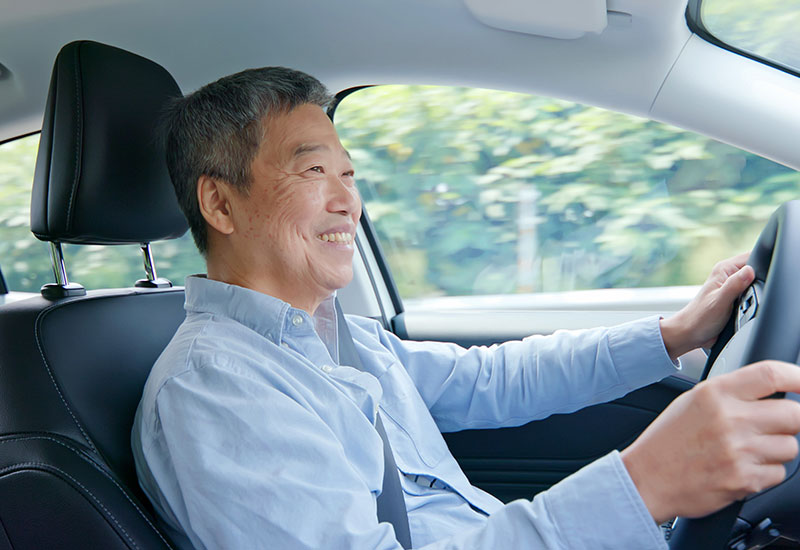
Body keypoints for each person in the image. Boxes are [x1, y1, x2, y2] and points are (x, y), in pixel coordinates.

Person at [132, 67, 800, 550]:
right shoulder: (213, 388)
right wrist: (641, 485)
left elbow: (494, 378)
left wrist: (674, 334)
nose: (347, 202)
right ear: (220, 203)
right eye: (313, 172)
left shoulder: (340, 339)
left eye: (349, 175)